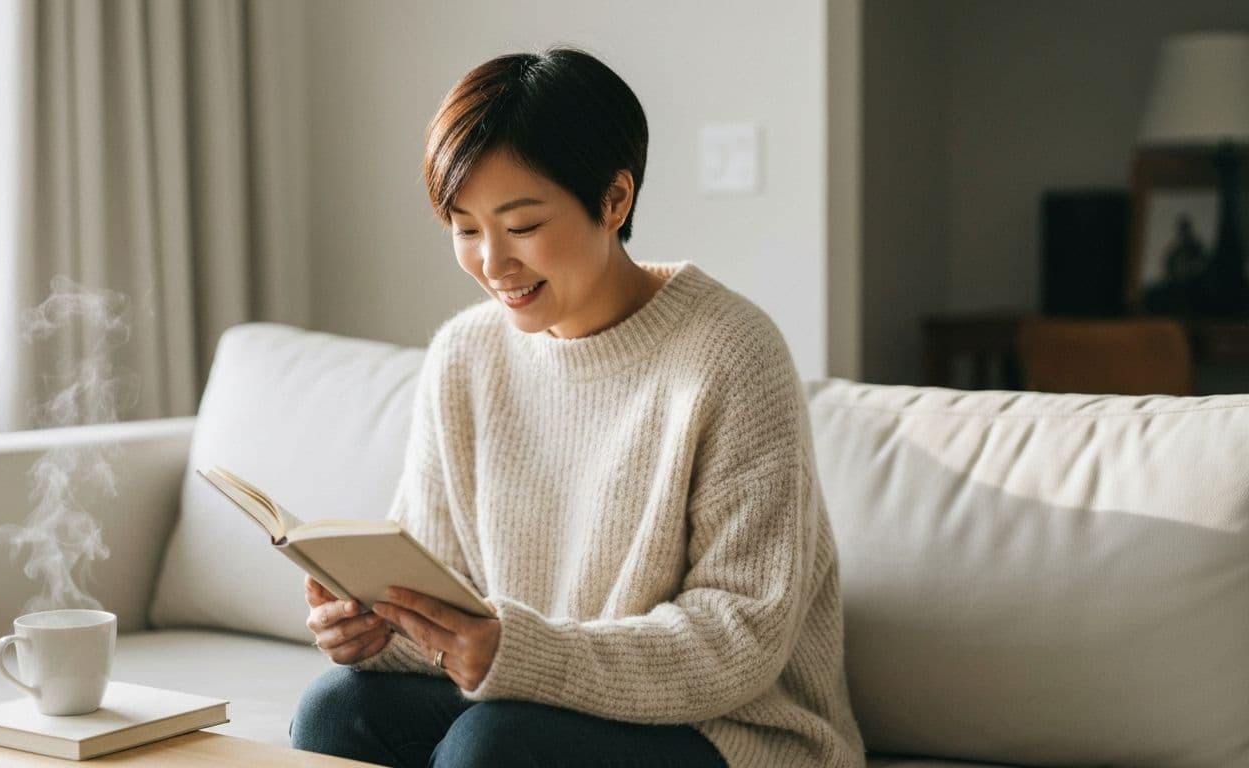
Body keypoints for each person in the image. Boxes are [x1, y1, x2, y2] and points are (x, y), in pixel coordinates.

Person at [289, 45, 865, 768]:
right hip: (535, 701)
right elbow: (449, 607)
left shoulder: (731, 353)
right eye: (466, 229)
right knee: (337, 710)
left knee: (491, 747)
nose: (493, 264)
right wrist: (378, 629)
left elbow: (738, 638)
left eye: (522, 227)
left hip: (730, 731)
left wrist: (520, 654)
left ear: (614, 200)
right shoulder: (465, 355)